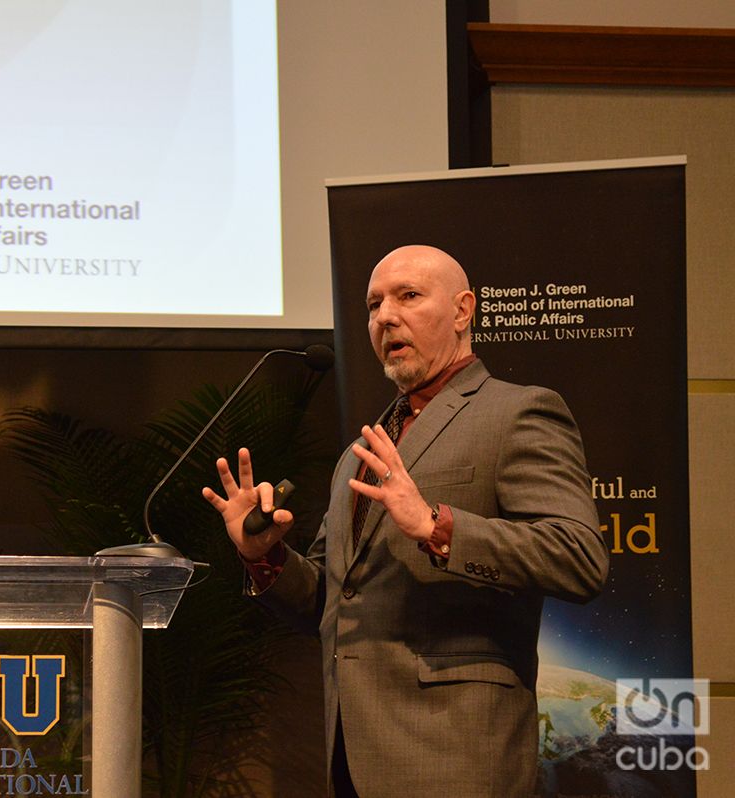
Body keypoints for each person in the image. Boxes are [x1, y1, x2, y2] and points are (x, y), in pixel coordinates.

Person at [202, 244, 608, 797]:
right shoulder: (362, 451)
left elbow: (579, 558)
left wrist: (438, 526)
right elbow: (333, 603)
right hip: (354, 759)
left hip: (457, 759)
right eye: (373, 305)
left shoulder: (519, 412)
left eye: (408, 296)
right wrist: (265, 555)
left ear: (464, 310)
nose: (385, 316)